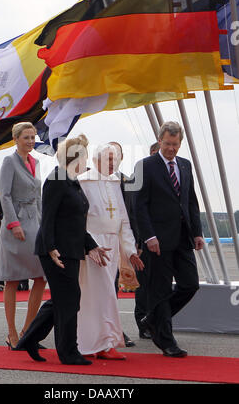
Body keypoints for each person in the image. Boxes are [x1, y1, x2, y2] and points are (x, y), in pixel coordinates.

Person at [16, 134, 110, 365]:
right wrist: (50, 248)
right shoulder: (57, 179)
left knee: (62, 299)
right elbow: (47, 217)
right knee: (69, 299)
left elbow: (75, 223)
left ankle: (29, 339)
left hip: (70, 249)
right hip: (57, 252)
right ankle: (68, 352)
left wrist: (93, 246)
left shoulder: (71, 181)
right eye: (84, 156)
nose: (87, 161)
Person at [134, 121, 204, 358]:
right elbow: (138, 205)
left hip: (183, 238)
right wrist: (149, 236)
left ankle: (153, 318)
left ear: (180, 143)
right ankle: (167, 342)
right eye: (167, 144)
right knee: (161, 291)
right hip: (157, 241)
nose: (171, 149)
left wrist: (197, 232)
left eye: (175, 144)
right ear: (159, 140)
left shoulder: (185, 165)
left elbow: (190, 201)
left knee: (190, 284)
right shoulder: (145, 166)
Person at [76, 144, 144, 359]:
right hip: (93, 246)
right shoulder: (84, 181)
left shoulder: (116, 182)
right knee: (93, 295)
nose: (113, 164)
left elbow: (123, 219)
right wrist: (87, 246)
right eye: (108, 159)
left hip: (112, 246)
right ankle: (86, 344)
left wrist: (130, 250)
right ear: (96, 160)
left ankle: (106, 343)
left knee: (108, 295)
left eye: (115, 159)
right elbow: (79, 217)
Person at [0, 122, 47, 350]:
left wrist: (45, 225)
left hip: (35, 223)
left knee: (41, 277)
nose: (31, 141)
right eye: (26, 137)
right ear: (16, 139)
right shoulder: (9, 162)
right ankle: (12, 333)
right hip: (15, 226)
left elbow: (39, 195)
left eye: (33, 137)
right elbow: (4, 195)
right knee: (12, 280)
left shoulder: (36, 162)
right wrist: (13, 223)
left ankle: (27, 331)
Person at [109, 141, 139, 347]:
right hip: (101, 241)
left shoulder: (128, 181)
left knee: (114, 286)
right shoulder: (91, 180)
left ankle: (114, 328)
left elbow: (133, 213)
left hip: (122, 240)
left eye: (116, 155)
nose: (112, 160)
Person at [134, 141, 160, 339]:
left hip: (161, 239)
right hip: (142, 239)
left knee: (157, 284)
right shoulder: (140, 175)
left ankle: (154, 321)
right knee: (143, 284)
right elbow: (134, 210)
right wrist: (136, 239)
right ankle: (143, 322)